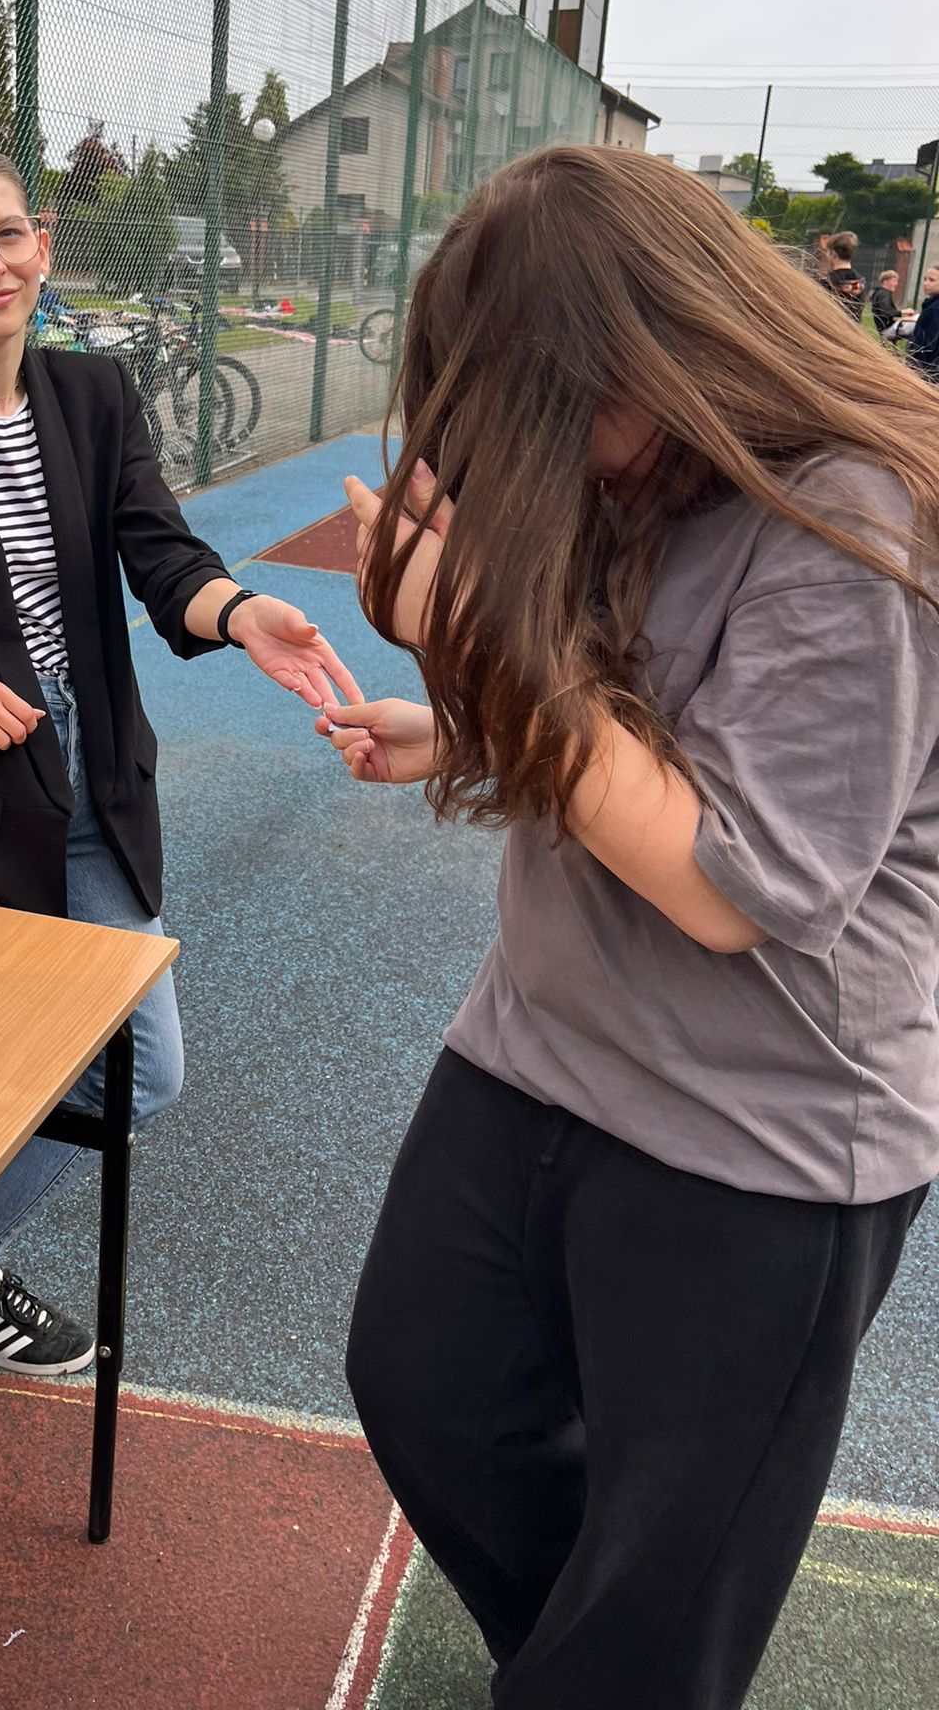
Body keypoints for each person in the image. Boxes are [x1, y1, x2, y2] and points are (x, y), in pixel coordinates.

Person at [321, 144, 937, 1710]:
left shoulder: (850, 513)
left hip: (762, 1129)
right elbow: (633, 717)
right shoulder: (635, 476)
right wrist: (462, 728)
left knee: (656, 1594)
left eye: (549, 408)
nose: (540, 457)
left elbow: (734, 885)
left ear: (671, 350)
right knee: (427, 1384)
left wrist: (476, 638)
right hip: (542, 1048)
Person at [0, 138, 359, 1449]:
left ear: (42, 246)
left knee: (137, 1066)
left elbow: (161, 553)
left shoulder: (93, 395)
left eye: (9, 233)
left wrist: (241, 611)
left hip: (98, 788)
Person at [823, 229, 865, 319]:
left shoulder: (828, 281)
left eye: (827, 252)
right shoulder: (859, 280)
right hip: (853, 325)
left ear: (833, 254)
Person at [906, 261, 939, 376]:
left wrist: (913, 364)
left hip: (928, 370)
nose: (925, 283)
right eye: (925, 279)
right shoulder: (930, 305)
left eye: (932, 280)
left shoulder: (934, 309)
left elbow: (928, 344)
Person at [870, 267, 903, 337]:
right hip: (887, 329)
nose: (896, 284)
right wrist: (902, 312)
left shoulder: (883, 293)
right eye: (894, 281)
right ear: (885, 281)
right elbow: (886, 313)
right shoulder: (883, 294)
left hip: (888, 327)